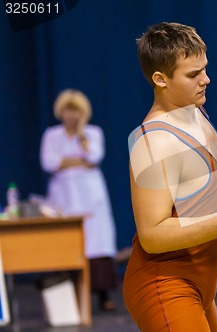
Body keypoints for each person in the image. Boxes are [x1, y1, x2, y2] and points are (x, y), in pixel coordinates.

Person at [122, 22, 217, 332]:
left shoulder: (193, 111)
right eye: (193, 75)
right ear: (160, 79)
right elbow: (151, 236)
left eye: (204, 69)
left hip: (200, 286)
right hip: (164, 286)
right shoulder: (152, 141)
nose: (206, 80)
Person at [40, 89, 118, 311]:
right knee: (67, 242)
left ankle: (103, 295)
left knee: (97, 243)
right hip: (63, 195)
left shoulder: (93, 133)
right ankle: (69, 296)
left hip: (90, 195)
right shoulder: (52, 135)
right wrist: (77, 162)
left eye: (76, 111)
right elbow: (49, 162)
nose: (71, 116)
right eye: (68, 110)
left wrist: (79, 141)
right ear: (60, 112)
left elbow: (94, 157)